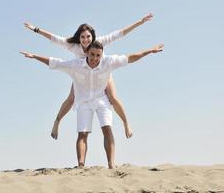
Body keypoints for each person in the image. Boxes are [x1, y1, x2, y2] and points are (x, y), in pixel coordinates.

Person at [20, 41, 164, 169]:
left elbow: (130, 58)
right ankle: (81, 165)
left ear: (101, 55)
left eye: (98, 55)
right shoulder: (75, 65)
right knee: (82, 133)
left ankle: (111, 164)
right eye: (92, 54)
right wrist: (35, 56)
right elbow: (55, 63)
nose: (95, 58)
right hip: (83, 101)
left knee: (107, 128)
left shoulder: (108, 62)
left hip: (102, 99)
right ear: (87, 53)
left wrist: (149, 51)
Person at [24, 13, 153, 140]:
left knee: (113, 97)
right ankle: (57, 122)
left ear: (93, 36)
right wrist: (36, 29)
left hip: (101, 72)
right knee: (71, 98)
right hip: (82, 75)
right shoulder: (73, 46)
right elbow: (53, 38)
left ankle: (126, 124)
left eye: (88, 37)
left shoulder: (99, 42)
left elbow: (120, 34)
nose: (86, 40)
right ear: (78, 38)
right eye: (82, 37)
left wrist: (140, 22)